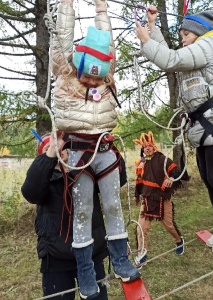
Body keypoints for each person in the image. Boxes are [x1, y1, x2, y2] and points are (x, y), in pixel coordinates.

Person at [135, 6, 213, 254]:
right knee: (207, 177)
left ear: (199, 32)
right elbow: (172, 55)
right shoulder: (196, 50)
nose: (182, 39)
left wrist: (146, 41)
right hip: (203, 122)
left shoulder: (206, 47)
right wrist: (153, 26)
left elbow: (169, 60)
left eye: (185, 34)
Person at [51, 0, 140, 298]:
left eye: (96, 76)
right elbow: (61, 38)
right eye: (86, 75)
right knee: (82, 212)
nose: (90, 81)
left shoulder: (107, 76)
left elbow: (106, 38)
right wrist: (66, 6)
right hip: (77, 153)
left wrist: (102, 8)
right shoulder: (64, 71)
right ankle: (85, 272)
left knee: (114, 205)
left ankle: (121, 260)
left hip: (104, 151)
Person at [21, 132, 109, 300]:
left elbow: (119, 179)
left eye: (62, 146)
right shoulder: (42, 178)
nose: (59, 149)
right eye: (50, 148)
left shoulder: (86, 168)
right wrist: (51, 152)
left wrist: (104, 147)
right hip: (56, 258)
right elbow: (30, 192)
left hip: (91, 253)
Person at [133, 131, 184, 268]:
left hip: (162, 198)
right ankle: (142, 255)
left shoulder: (162, 159)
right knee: (140, 229)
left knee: (169, 226)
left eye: (149, 145)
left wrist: (170, 178)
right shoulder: (141, 162)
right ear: (142, 149)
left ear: (153, 146)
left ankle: (179, 240)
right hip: (147, 199)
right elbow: (139, 180)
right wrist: (137, 193)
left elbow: (177, 171)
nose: (147, 148)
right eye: (145, 147)